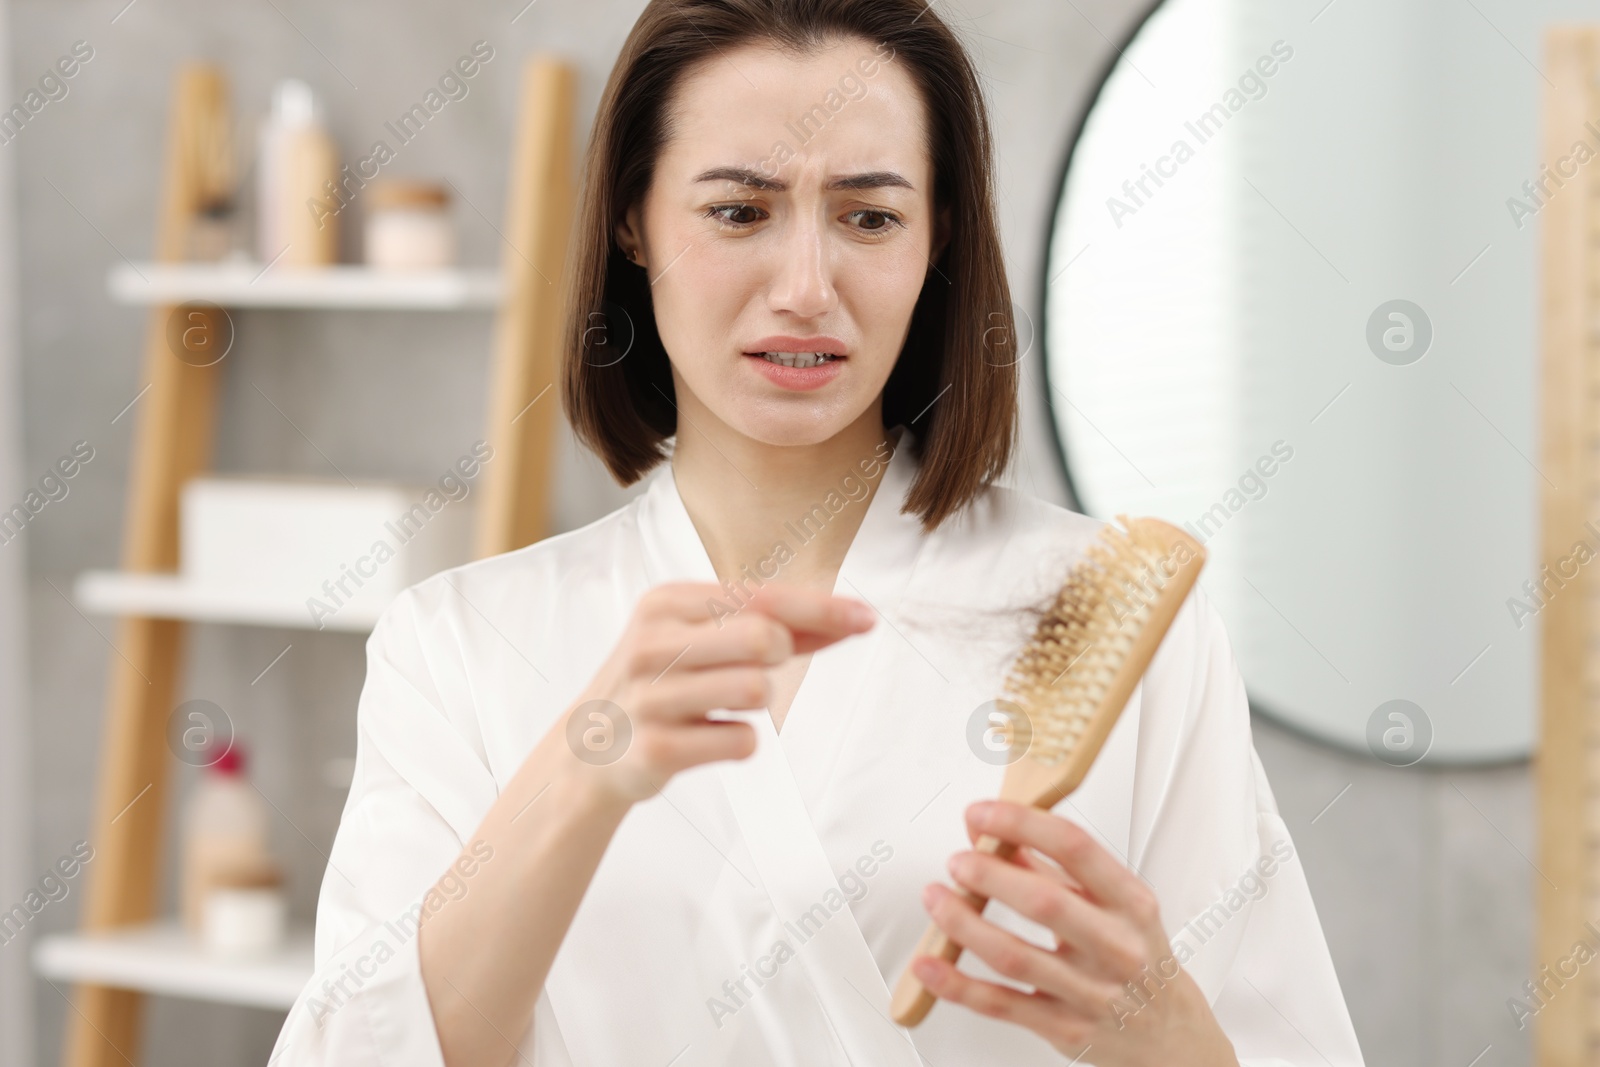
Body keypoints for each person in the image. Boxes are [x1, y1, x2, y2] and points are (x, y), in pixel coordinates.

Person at [268, 1, 1365, 1064]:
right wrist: (580, 774)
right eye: (739, 211)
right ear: (631, 221)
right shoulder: (460, 643)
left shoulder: (1110, 619)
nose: (805, 288)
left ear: (938, 239)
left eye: (870, 216)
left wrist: (1164, 1041)